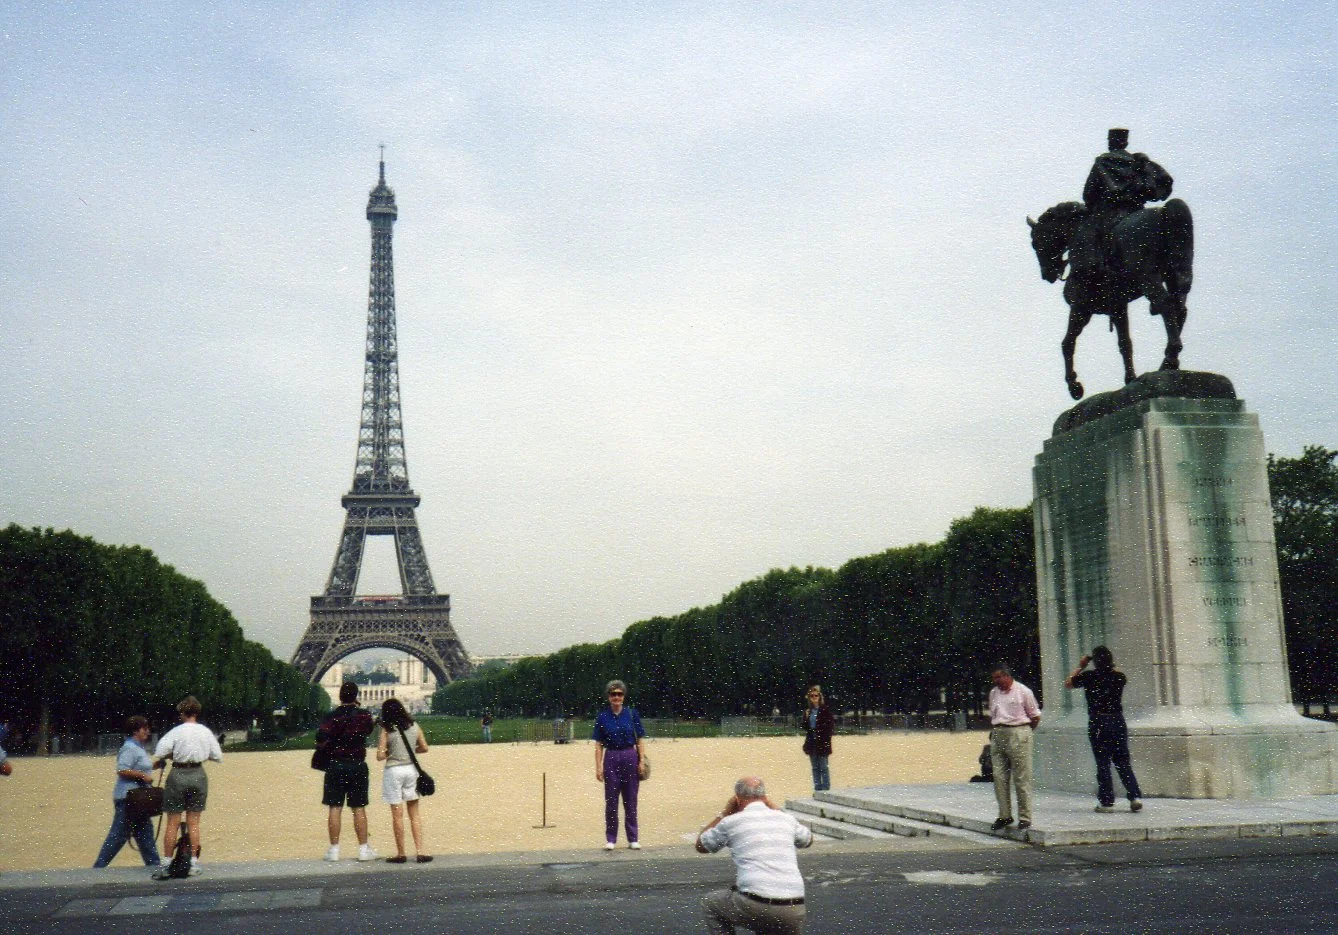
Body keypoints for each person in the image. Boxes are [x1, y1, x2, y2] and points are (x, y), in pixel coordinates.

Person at [696, 776, 812, 935]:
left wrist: (725, 813)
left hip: (755, 903)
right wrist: (777, 809)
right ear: (765, 797)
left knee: (711, 904)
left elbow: (701, 845)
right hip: (794, 907)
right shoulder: (786, 819)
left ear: (737, 799)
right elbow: (807, 840)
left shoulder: (731, 822)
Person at [1071, 127, 1174, 280]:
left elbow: (1088, 194)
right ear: (1125, 142)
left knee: (1088, 234)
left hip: (1112, 214)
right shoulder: (1138, 162)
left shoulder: (1103, 161)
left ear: (1111, 142)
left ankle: (1097, 272)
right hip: (1136, 210)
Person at [1066, 646, 1144, 813]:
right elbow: (1117, 671)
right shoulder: (1119, 677)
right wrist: (1110, 664)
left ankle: (1107, 801)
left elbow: (1068, 683)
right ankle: (1135, 795)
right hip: (1117, 719)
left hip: (1098, 720)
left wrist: (1082, 666)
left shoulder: (1089, 676)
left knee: (1103, 762)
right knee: (1123, 761)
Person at [152, 696, 223, 878]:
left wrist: (173, 755)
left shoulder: (176, 732)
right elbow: (217, 756)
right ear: (197, 713)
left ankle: (167, 863)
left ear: (182, 713)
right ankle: (193, 863)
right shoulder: (205, 732)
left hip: (178, 774)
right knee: (194, 822)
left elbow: (159, 752)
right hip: (198, 774)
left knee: (172, 822)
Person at [317, 681, 377, 862]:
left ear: (340, 695)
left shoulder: (331, 717)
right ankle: (363, 849)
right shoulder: (364, 715)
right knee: (359, 808)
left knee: (335, 808)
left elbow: (320, 739)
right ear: (356, 696)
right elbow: (369, 730)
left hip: (336, 765)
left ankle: (334, 850)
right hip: (357, 765)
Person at [93, 715, 162, 870]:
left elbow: (136, 767)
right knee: (118, 836)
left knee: (145, 835)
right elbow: (122, 769)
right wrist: (143, 776)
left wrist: (154, 766)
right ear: (136, 730)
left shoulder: (137, 747)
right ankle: (98, 868)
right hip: (128, 798)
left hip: (137, 799)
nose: (148, 731)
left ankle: (154, 866)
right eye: (145, 728)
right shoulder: (130, 748)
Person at [375, 697, 432, 863]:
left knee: (397, 816)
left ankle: (401, 853)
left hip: (393, 771)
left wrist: (391, 753)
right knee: (414, 814)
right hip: (411, 770)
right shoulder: (414, 725)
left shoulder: (387, 729)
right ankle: (420, 851)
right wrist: (410, 752)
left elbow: (379, 755)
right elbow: (425, 747)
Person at [592, 679, 646, 850]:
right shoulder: (602, 717)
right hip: (611, 757)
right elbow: (598, 744)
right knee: (611, 800)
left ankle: (633, 837)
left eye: (619, 694)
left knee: (631, 799)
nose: (617, 697)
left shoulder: (631, 714)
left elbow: (640, 740)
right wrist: (598, 766)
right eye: (613, 694)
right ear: (608, 697)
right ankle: (611, 838)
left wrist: (641, 760)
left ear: (624, 696)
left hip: (630, 756)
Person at [988, 665, 1041, 831]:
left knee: (1021, 777)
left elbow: (1035, 716)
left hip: (1018, 731)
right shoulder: (993, 693)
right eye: (994, 678)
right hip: (998, 732)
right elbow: (994, 713)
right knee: (999, 776)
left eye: (998, 677)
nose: (996, 681)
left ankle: (1025, 817)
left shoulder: (1023, 691)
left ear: (1007, 676)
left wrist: (1024, 733)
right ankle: (1004, 815)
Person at [801, 685, 834, 792]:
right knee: (815, 768)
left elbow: (830, 727)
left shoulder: (825, 710)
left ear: (820, 697)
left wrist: (825, 740)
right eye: (812, 696)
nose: (814, 697)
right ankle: (818, 789)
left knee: (824, 767)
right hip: (812, 742)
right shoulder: (808, 711)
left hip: (822, 742)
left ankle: (826, 789)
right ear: (809, 698)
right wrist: (805, 717)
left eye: (816, 695)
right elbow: (805, 727)